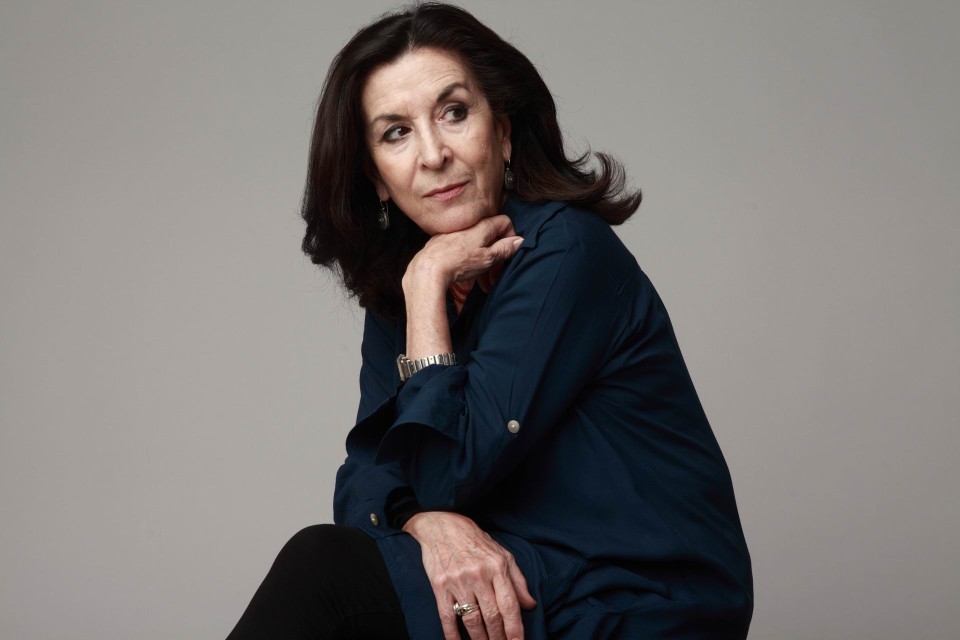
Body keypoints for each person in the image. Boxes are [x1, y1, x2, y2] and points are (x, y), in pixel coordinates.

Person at [227, 3, 753, 639]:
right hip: (516, 578)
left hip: (633, 596)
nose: (433, 154)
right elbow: (365, 476)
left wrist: (427, 287)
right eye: (396, 133)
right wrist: (420, 521)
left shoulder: (565, 252)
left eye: (454, 112)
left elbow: (449, 473)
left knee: (323, 571)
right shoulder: (406, 285)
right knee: (337, 567)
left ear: (502, 132)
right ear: (377, 179)